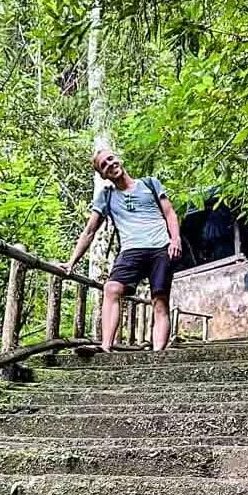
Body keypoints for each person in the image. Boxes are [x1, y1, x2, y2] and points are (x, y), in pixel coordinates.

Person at [61, 149, 182, 351]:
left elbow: (170, 213)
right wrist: (72, 261)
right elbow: (90, 231)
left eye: (110, 159)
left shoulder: (150, 184)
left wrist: (175, 240)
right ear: (103, 175)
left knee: (159, 300)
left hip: (160, 247)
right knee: (111, 289)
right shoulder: (106, 196)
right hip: (131, 250)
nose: (109, 164)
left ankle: (158, 356)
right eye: (103, 165)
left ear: (118, 159)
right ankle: (106, 345)